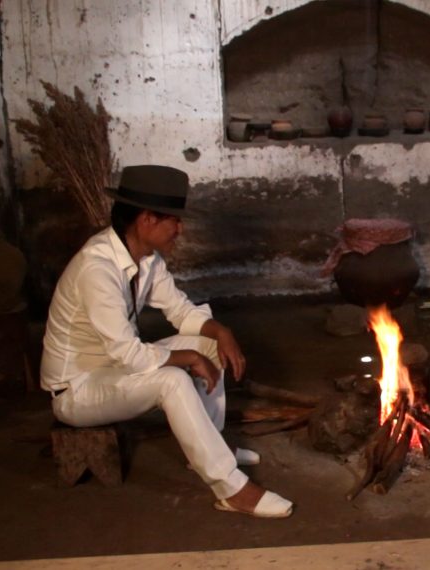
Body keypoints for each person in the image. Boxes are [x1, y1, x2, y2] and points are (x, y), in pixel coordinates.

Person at [40, 164, 293, 518]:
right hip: (78, 389)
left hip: (114, 369)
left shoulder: (146, 260)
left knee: (206, 345)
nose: (180, 228)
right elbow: (127, 353)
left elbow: (181, 312)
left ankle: (211, 446)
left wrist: (220, 332)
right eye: (173, 219)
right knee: (172, 379)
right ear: (146, 220)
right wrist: (186, 358)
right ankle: (231, 489)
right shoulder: (97, 268)